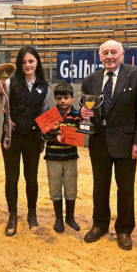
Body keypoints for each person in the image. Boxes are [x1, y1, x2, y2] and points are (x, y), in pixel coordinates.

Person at [81, 39, 137, 250]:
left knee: (125, 188)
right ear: (99, 57)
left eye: (113, 52)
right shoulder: (91, 79)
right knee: (100, 187)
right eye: (105, 53)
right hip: (99, 143)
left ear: (122, 55)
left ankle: (124, 229)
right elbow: (85, 106)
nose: (109, 56)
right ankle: (99, 224)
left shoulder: (136, 75)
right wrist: (83, 113)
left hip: (127, 144)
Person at [2, 46, 49, 236]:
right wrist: (7, 119)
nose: (27, 65)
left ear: (37, 62)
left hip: (32, 138)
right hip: (12, 138)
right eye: (23, 62)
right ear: (19, 65)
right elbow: (2, 107)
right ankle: (12, 215)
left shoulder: (44, 87)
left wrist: (47, 134)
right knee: (12, 178)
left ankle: (32, 213)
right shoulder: (8, 83)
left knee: (31, 178)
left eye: (31, 61)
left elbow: (45, 112)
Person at [42, 82, 82, 233]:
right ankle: (58, 219)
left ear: (72, 98)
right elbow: (43, 136)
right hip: (53, 157)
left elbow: (82, 132)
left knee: (71, 188)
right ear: (55, 99)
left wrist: (75, 131)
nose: (62, 101)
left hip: (71, 157)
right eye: (59, 98)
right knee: (55, 188)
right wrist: (53, 131)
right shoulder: (50, 115)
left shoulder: (77, 115)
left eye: (66, 97)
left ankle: (70, 218)